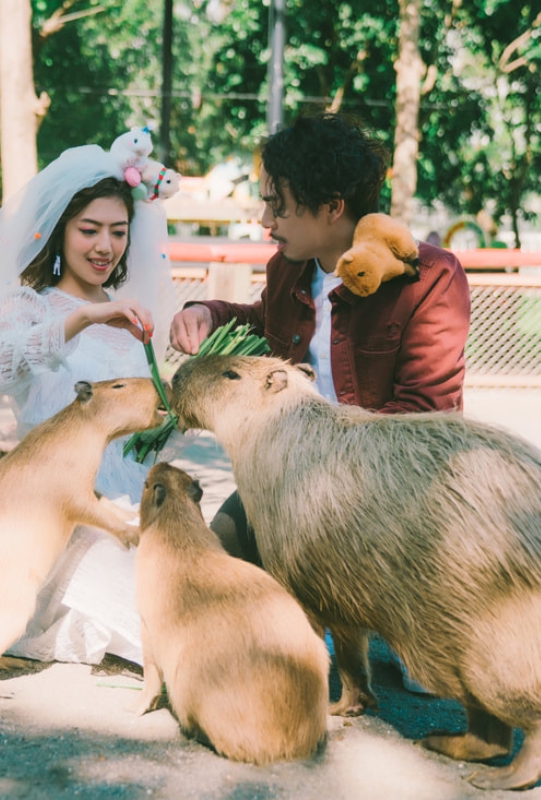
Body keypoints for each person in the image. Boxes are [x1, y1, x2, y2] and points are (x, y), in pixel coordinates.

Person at [168, 113, 470, 692]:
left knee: (431, 671)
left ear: (332, 207)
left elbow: (428, 411)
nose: (265, 222)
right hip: (291, 478)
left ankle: (391, 610)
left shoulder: (429, 276)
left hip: (390, 495)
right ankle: (310, 619)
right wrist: (211, 313)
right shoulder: (288, 268)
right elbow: (265, 324)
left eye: (277, 206)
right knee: (218, 557)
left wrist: (327, 468)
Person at [0, 132, 178, 667]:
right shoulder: (29, 305)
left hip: (132, 516)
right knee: (151, 625)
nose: (104, 246)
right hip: (56, 520)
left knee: (194, 600)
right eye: (89, 230)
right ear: (61, 231)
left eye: (117, 232)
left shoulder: (135, 317)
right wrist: (82, 316)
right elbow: (4, 367)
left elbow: (150, 433)